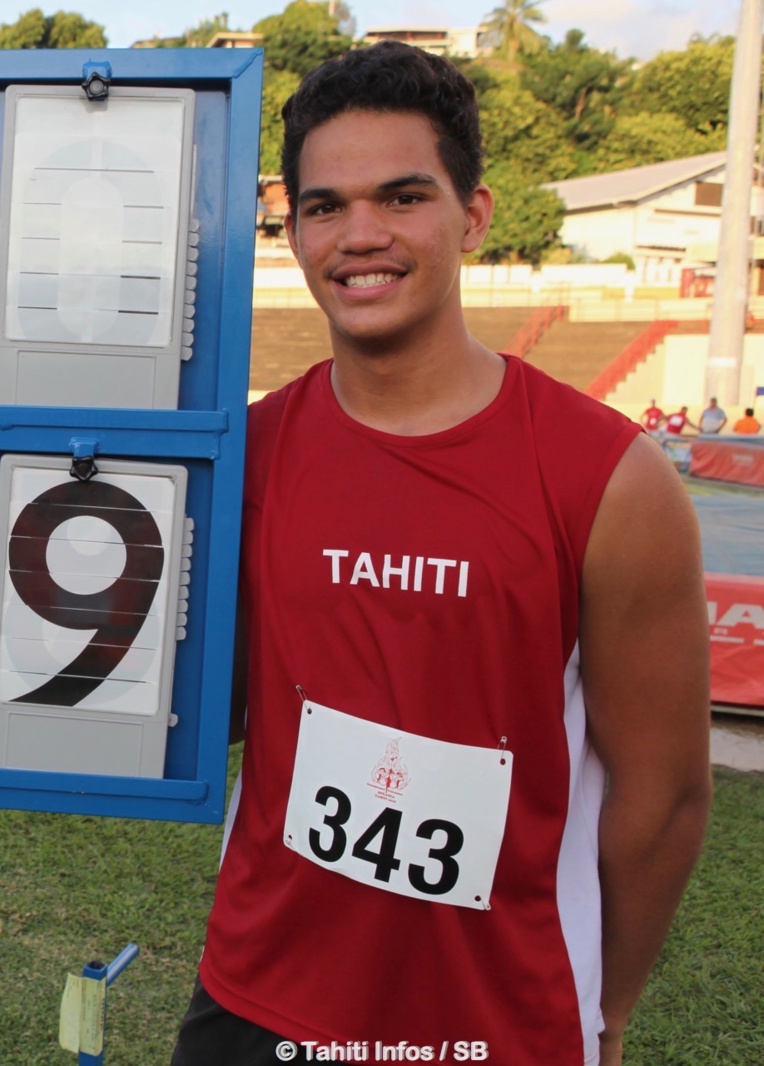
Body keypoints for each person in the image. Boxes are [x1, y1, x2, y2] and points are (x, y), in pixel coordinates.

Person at [172, 43, 711, 1066]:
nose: (358, 236)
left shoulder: (608, 478)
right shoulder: (244, 458)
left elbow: (665, 794)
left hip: (496, 1024)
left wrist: (606, 1006)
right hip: (258, 1001)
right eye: (324, 206)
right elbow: (203, 706)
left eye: (402, 196)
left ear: (472, 215)